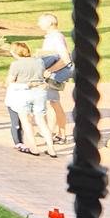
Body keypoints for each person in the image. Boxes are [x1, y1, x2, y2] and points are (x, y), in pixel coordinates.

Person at [6, 40, 58, 157]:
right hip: (40, 92)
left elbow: (10, 81)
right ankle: (51, 149)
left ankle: (34, 148)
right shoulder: (39, 61)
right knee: (41, 121)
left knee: (26, 121)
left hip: (24, 93)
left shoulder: (16, 64)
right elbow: (43, 74)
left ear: (15, 53)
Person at [37, 13, 72, 149]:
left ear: (50, 23)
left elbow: (65, 58)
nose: (38, 24)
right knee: (51, 103)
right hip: (52, 74)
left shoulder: (56, 38)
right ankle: (53, 132)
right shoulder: (53, 37)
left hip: (54, 75)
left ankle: (61, 134)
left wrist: (49, 71)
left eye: (41, 21)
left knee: (54, 103)